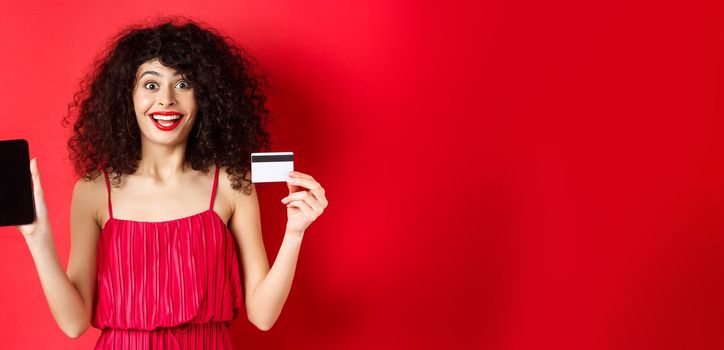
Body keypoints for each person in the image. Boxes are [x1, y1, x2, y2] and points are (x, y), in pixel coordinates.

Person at [16, 17, 329, 348]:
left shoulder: (231, 186)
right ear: (128, 98)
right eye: (151, 85)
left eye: (183, 84)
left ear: (204, 97)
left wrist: (294, 233)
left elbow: (263, 316)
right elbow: (74, 323)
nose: (166, 100)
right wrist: (37, 237)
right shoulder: (93, 191)